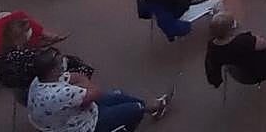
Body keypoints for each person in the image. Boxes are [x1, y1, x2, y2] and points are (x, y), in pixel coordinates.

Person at [26, 46, 168, 132]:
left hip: (71, 116)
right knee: (134, 109)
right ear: (52, 71)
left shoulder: (38, 81)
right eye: (59, 63)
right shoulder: (61, 94)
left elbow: (75, 77)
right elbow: (95, 91)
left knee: (118, 96)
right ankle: (139, 112)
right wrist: (84, 84)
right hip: (84, 126)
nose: (64, 63)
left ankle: (151, 106)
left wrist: (83, 85)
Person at [0, 18, 93, 100]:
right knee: (80, 68)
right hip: (39, 90)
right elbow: (46, 65)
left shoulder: (5, 54)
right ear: (21, 35)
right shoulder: (27, 56)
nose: (31, 32)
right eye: (28, 30)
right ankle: (81, 96)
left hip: (22, 92)